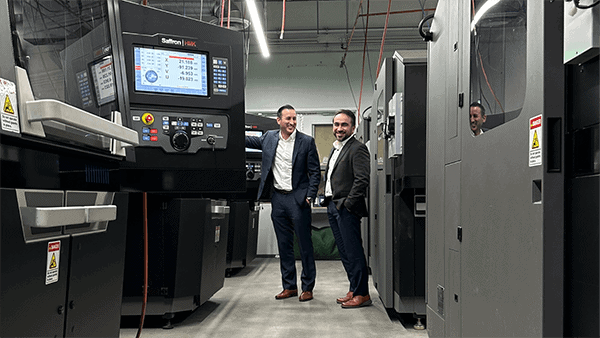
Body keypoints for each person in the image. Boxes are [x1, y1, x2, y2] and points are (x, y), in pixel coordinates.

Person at [245, 104, 321, 302]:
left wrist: (310, 195)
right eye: (288, 119)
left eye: (294, 118)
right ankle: (289, 287)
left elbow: (314, 172)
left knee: (305, 245)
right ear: (279, 120)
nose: (292, 122)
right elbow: (247, 139)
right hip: (278, 198)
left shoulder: (307, 142)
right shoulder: (269, 137)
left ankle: (307, 287)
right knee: (284, 245)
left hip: (298, 198)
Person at [321, 109, 371, 308]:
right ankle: (353, 288)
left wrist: (348, 204)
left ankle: (362, 294)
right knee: (344, 251)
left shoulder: (357, 148)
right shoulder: (337, 148)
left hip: (346, 208)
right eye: (336, 124)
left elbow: (362, 179)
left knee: (354, 251)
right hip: (334, 206)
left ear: (352, 127)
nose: (339, 128)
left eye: (344, 125)